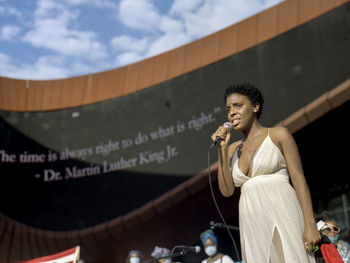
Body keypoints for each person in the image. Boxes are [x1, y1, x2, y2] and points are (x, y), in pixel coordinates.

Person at [211, 82, 321, 262]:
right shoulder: (231, 150)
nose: (231, 112)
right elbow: (227, 191)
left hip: (283, 210)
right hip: (252, 219)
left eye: (238, 106)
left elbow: (299, 180)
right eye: (228, 108)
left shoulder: (278, 135)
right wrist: (221, 151)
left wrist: (310, 225)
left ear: (255, 106)